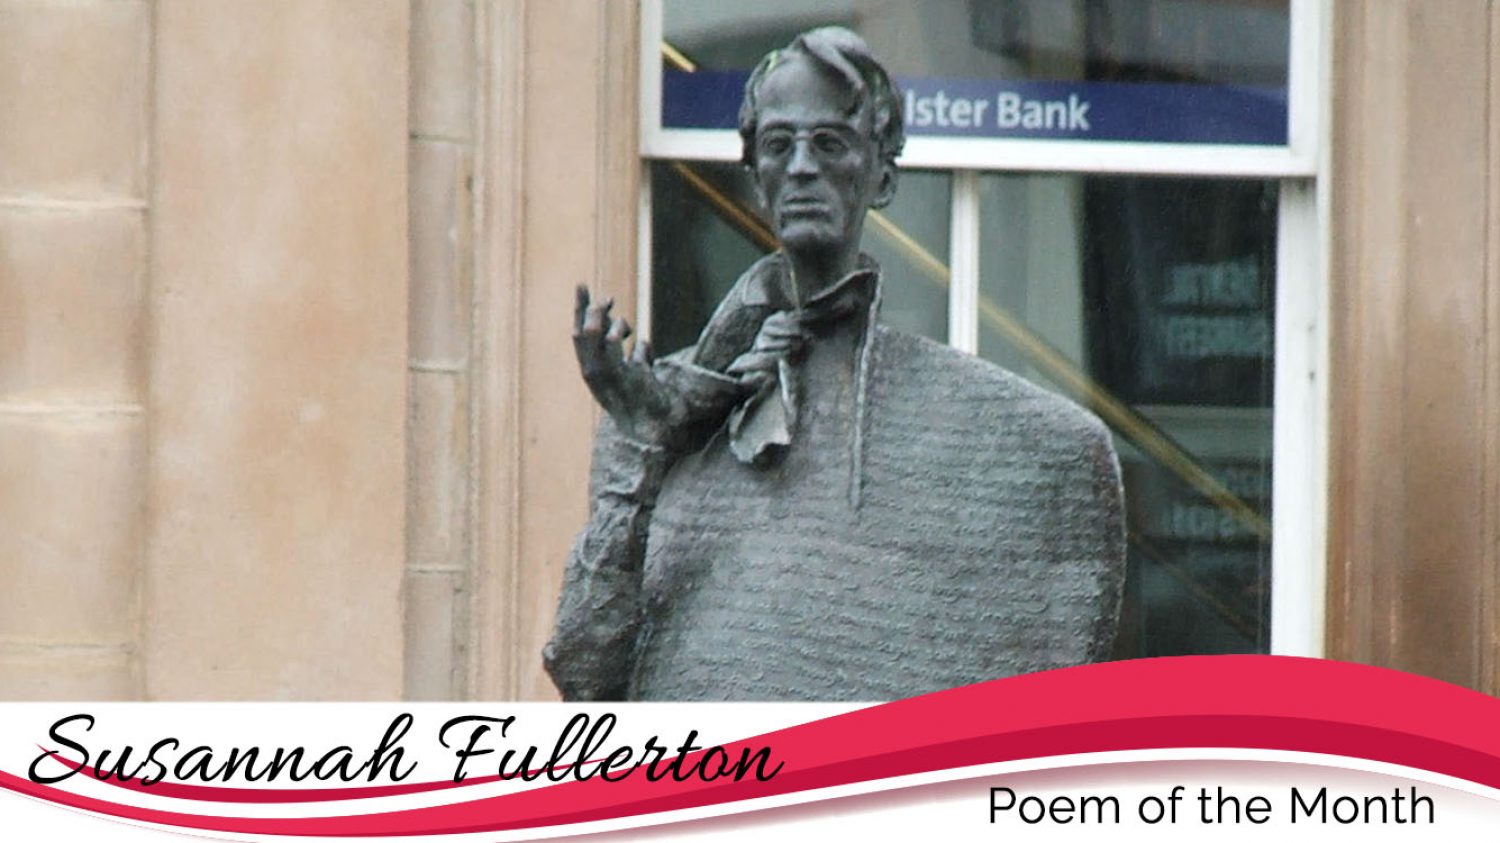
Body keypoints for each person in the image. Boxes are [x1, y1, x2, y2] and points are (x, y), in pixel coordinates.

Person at [545, 27, 1124, 701]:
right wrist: (646, 451)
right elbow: (584, 674)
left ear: (882, 176)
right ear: (754, 178)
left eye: (829, 143)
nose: (801, 167)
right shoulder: (656, 409)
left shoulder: (1013, 434)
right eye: (778, 145)